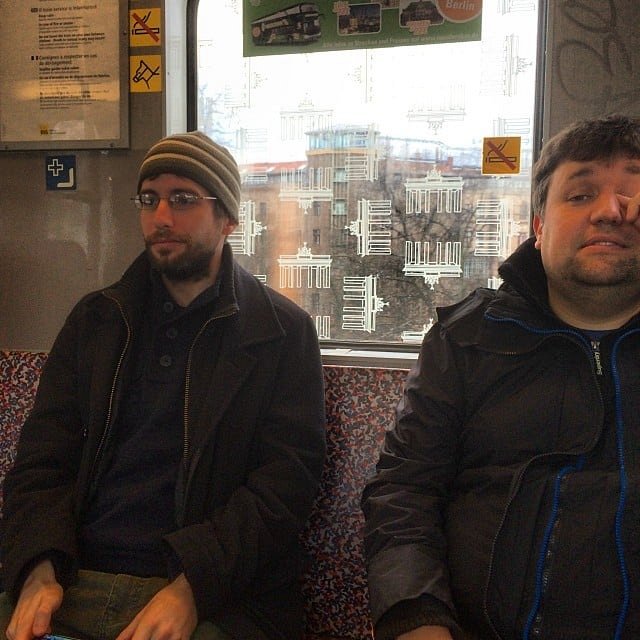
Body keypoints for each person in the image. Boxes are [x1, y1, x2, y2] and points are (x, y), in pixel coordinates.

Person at [0, 131, 327, 640]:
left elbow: (284, 487)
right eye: (149, 199)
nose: (161, 217)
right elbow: (42, 461)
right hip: (73, 575)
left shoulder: (280, 332)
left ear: (228, 218)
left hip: (212, 593)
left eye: (183, 199)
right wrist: (38, 568)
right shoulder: (96, 321)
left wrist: (192, 587)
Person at [361, 113, 640, 640]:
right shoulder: (467, 340)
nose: (609, 211)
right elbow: (404, 492)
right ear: (539, 227)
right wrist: (417, 617)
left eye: (631, 195)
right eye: (580, 195)